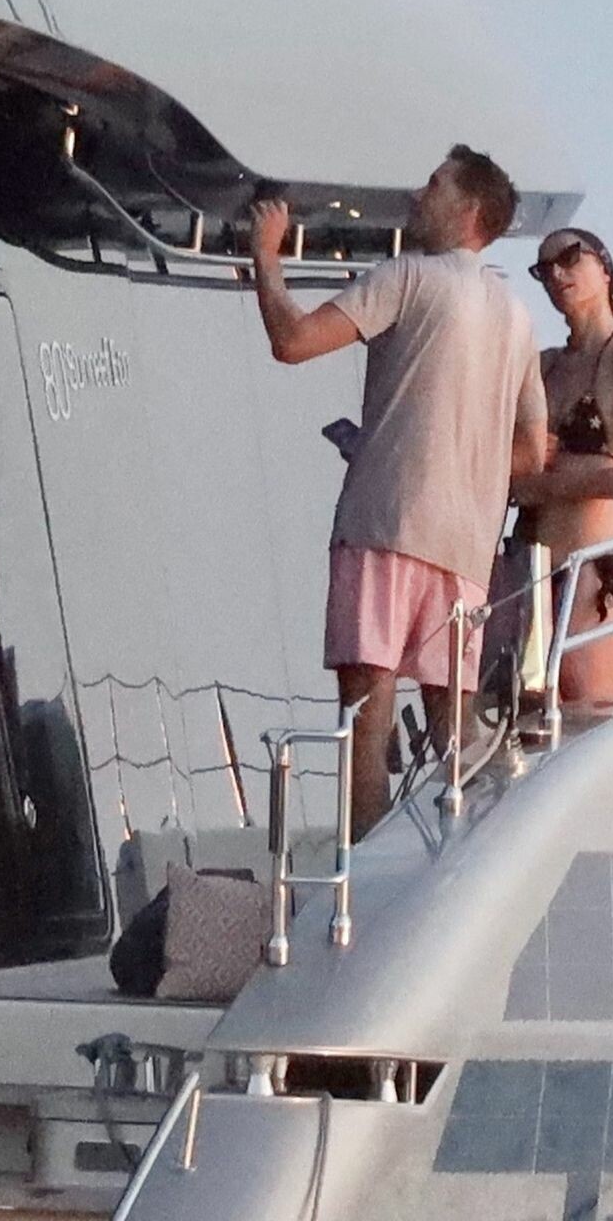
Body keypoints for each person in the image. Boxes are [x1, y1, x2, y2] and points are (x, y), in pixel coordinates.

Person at [249, 146, 547, 839]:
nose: (418, 194)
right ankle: (477, 858)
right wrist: (458, 455)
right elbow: (533, 451)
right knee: (456, 737)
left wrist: (266, 253)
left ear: (468, 209)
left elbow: (293, 340)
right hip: (466, 550)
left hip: (386, 525)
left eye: (435, 185)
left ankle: (365, 879)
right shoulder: (518, 317)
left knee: (367, 726)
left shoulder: (409, 276)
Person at [512, 228, 613, 708]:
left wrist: (552, 483)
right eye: (543, 269)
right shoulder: (540, 366)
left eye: (569, 258)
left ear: (604, 267)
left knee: (587, 716)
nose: (556, 274)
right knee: (521, 719)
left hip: (587, 569)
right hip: (526, 568)